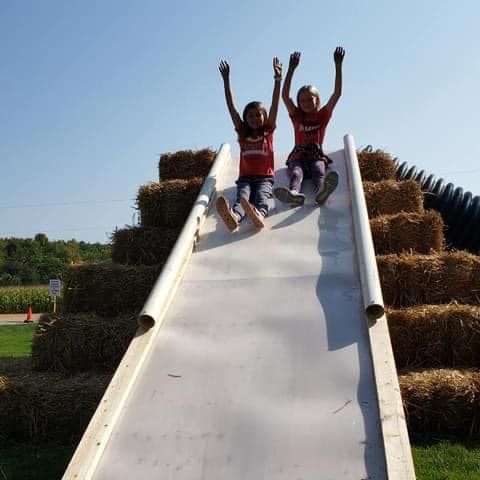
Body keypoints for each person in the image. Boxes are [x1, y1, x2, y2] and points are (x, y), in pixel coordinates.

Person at [216, 57, 282, 231]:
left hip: (264, 178)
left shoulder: (268, 131)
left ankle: (259, 213)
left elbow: (275, 103)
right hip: (245, 178)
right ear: (245, 119)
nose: (254, 118)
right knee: (242, 198)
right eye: (250, 116)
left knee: (262, 196)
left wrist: (277, 80)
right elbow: (231, 106)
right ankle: (235, 216)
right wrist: (226, 80)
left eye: (258, 115)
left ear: (264, 117)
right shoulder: (242, 133)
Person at [274, 47, 345, 207]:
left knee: (319, 171)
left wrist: (338, 66)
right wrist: (291, 69)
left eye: (310, 99)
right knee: (296, 173)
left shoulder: (322, 116)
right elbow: (285, 96)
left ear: (317, 100)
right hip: (298, 156)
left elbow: (337, 94)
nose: (306, 102)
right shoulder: (297, 116)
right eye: (302, 100)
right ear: (298, 103)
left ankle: (321, 192)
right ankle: (293, 194)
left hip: (315, 155)